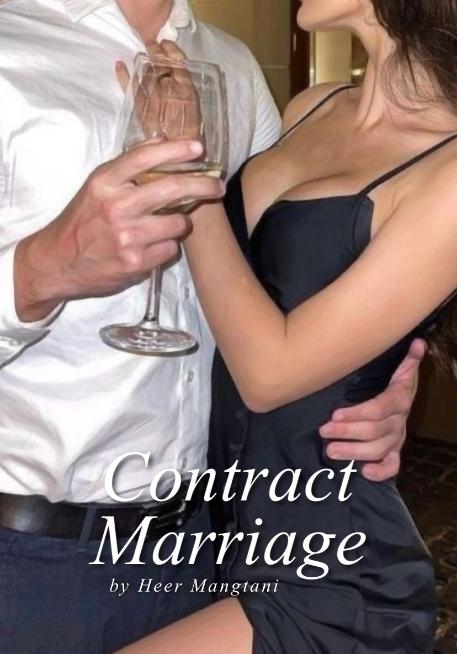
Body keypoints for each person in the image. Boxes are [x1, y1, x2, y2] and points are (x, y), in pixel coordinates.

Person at [0, 0, 423, 652]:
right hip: (32, 563)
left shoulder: (231, 64)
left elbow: (275, 282)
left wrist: (367, 385)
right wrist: (38, 272)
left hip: (215, 549)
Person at [114, 0, 457, 652]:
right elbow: (236, 291)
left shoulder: (450, 169)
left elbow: (269, 375)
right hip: (222, 533)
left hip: (329, 567)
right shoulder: (314, 105)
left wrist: (187, 170)